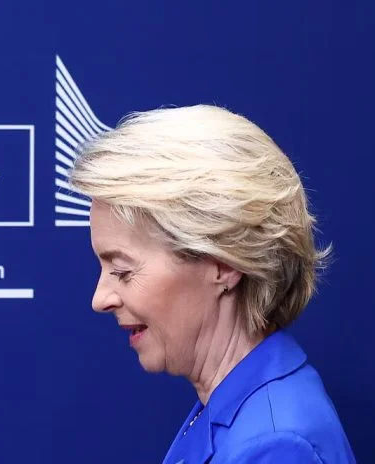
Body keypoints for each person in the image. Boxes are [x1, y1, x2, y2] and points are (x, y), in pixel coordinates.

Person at [68, 105, 356, 463]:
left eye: (123, 271)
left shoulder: (278, 447)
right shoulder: (230, 405)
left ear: (223, 263)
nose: (100, 299)